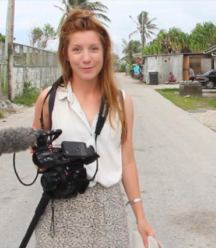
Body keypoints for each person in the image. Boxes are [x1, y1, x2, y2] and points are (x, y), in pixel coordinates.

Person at [32, 9, 155, 248]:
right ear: (65, 54)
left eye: (94, 49)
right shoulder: (49, 99)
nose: (86, 58)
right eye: (77, 49)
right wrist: (45, 160)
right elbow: (34, 147)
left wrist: (140, 216)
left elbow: (127, 160)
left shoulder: (122, 102)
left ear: (105, 52)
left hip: (109, 209)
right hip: (62, 208)